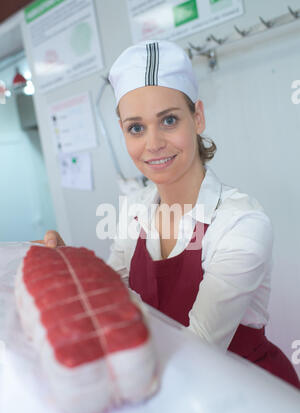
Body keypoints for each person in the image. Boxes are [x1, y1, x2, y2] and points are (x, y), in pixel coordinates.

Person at [39, 40, 299, 389]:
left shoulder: (240, 223)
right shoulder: (135, 212)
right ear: (123, 132)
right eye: (136, 128)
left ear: (198, 117)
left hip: (252, 397)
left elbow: (198, 349)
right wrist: (67, 270)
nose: (153, 143)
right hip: (175, 395)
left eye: (169, 120)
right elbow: (112, 297)